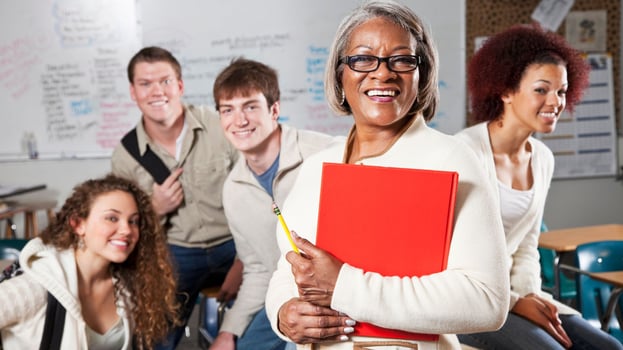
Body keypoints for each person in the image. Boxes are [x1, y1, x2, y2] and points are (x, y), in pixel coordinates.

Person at [265, 1, 511, 349]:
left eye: (402, 60)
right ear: (340, 73)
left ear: (421, 73)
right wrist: (282, 313)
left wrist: (345, 287)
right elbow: (287, 269)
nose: (383, 74)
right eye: (363, 59)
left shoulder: (451, 159)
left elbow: (487, 301)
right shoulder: (318, 165)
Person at [455, 24, 623, 350]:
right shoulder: (463, 153)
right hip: (469, 302)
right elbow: (450, 258)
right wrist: (518, 302)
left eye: (561, 91)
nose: (555, 102)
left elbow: (527, 247)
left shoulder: (543, 159)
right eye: (541, 90)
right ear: (505, 90)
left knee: (609, 347)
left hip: (516, 297)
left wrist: (530, 295)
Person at [111, 46, 242, 349]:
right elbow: (121, 229)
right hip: (177, 252)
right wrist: (154, 209)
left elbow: (259, 197)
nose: (157, 91)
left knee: (272, 316)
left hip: (235, 245)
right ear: (133, 92)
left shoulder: (222, 125)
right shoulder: (125, 155)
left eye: (165, 81)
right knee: (154, 336)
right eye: (145, 84)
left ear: (180, 85)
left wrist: (245, 262)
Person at [209, 57, 339, 349]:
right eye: (227, 110)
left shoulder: (327, 153)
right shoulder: (233, 190)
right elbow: (257, 270)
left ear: (275, 110)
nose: (239, 121)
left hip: (339, 294)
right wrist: (228, 331)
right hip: (283, 295)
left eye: (250, 107)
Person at [0, 174, 179, 349]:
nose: (127, 230)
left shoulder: (128, 286)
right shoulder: (37, 287)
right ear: (78, 224)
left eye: (133, 221)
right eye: (112, 218)